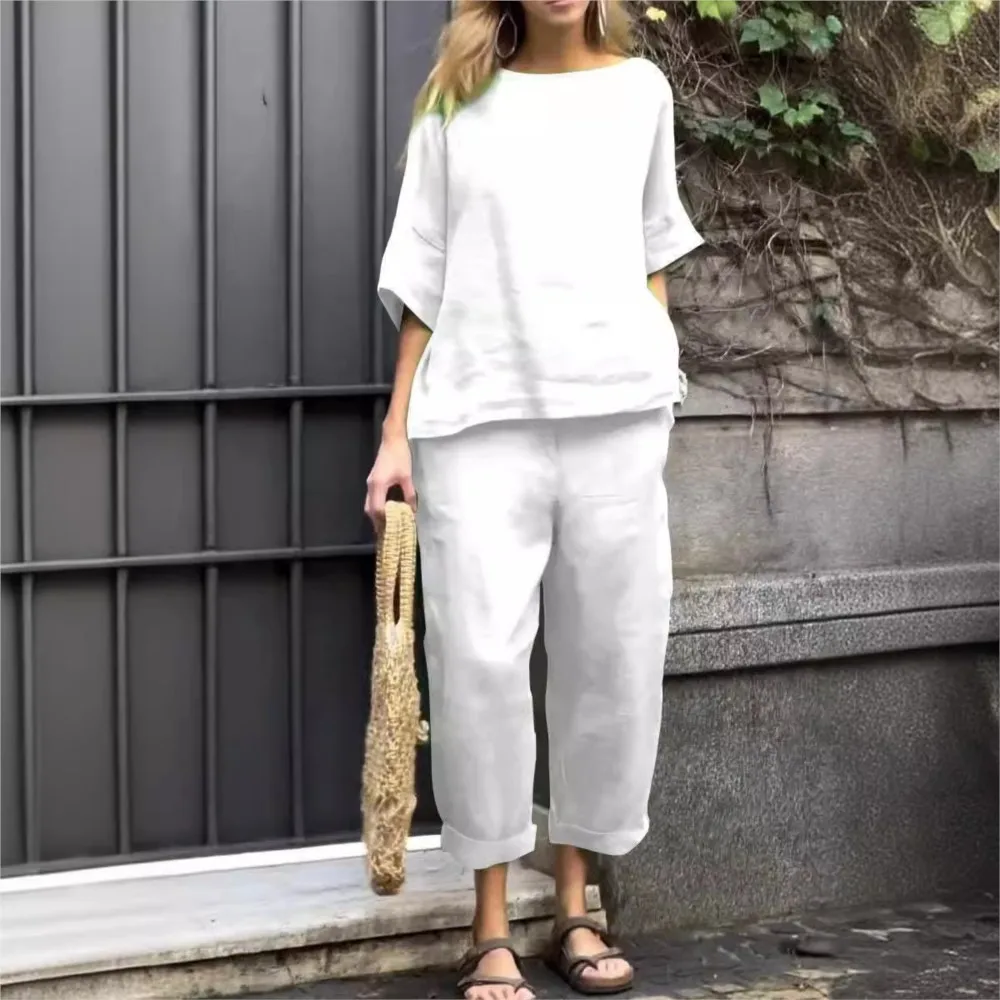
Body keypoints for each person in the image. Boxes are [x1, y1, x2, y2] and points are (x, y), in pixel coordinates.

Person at [365, 1, 702, 996]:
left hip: (616, 410)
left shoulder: (641, 91)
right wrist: (395, 430)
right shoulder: (456, 102)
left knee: (612, 657)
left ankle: (573, 908)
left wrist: (657, 375)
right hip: (476, 415)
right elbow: (423, 267)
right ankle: (489, 923)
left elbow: (653, 249)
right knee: (473, 660)